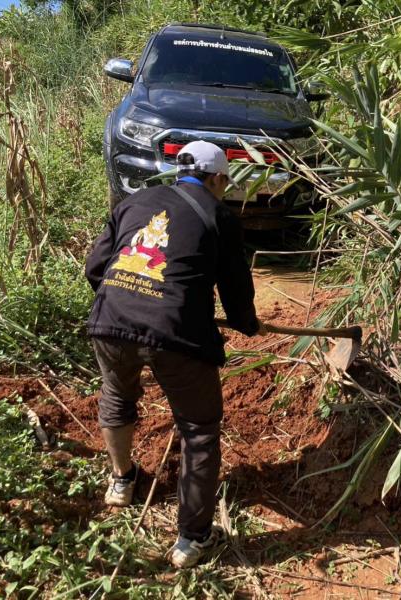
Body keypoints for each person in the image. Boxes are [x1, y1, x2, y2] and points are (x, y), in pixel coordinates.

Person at [84, 140, 265, 568]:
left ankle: (122, 481)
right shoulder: (219, 216)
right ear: (217, 178)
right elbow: (236, 290)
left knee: (117, 398)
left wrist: (128, 303)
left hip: (109, 320)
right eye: (225, 183)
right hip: (176, 333)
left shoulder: (135, 201)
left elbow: (95, 268)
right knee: (199, 429)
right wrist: (247, 323)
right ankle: (192, 540)